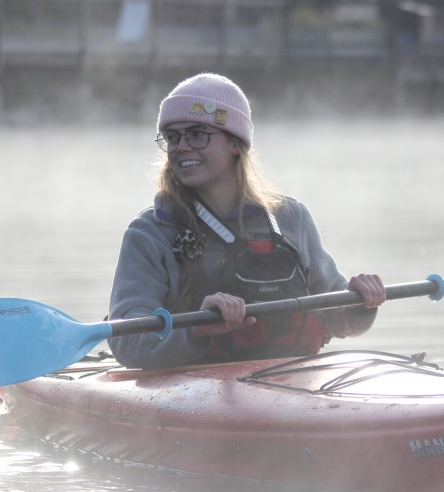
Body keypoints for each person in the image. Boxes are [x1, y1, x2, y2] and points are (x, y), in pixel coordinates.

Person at [107, 73, 385, 369]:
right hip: (193, 394)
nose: (181, 147)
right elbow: (127, 341)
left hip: (293, 383)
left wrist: (360, 302)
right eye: (173, 137)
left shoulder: (291, 218)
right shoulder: (150, 233)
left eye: (198, 134)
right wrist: (195, 329)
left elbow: (335, 315)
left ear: (236, 144)